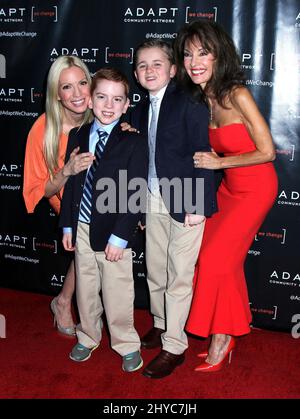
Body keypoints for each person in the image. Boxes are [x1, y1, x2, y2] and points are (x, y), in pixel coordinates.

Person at [174, 20, 278, 371]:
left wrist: (220, 162)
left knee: (218, 261)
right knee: (214, 260)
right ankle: (229, 330)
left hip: (255, 189)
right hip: (230, 189)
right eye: (188, 54)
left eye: (203, 52)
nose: (195, 61)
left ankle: (222, 336)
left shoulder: (237, 94)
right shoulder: (202, 97)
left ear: (220, 56)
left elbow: (267, 152)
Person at [131, 40, 217, 378]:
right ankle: (162, 322)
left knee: (179, 276)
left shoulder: (189, 102)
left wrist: (198, 203)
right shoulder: (138, 109)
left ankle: (174, 345)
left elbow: (203, 153)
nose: (149, 70)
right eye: (142, 65)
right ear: (136, 74)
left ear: (172, 70)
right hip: (151, 197)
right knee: (155, 269)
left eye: (157, 64)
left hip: (186, 199)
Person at [59, 68, 148, 372]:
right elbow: (72, 184)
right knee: (85, 286)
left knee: (117, 290)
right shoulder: (78, 135)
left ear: (126, 105)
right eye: (101, 97)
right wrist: (68, 224)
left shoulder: (134, 142)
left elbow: (136, 194)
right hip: (82, 226)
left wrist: (121, 237)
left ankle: (126, 343)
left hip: (114, 233)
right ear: (91, 100)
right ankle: (87, 335)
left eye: (117, 99)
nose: (108, 105)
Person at [23, 55, 95, 336]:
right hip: (62, 196)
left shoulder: (100, 115)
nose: (77, 94)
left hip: (96, 195)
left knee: (92, 245)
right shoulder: (42, 129)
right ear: (56, 94)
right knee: (86, 241)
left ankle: (69, 302)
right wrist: (66, 171)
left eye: (82, 83)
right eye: (67, 87)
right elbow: (41, 189)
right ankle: (64, 302)